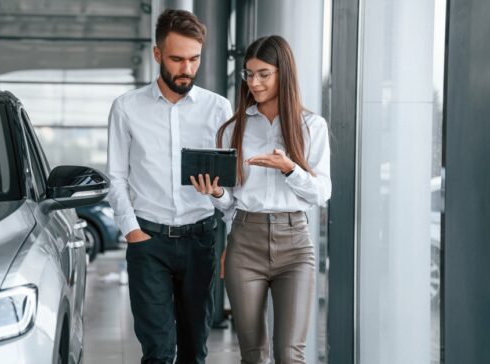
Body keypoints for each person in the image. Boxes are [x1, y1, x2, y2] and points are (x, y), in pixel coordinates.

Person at [190, 35, 332, 364]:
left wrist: (290, 169)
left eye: (263, 74)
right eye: (248, 74)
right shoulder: (232, 130)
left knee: (289, 354)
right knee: (253, 355)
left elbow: (321, 193)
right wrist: (216, 193)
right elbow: (232, 202)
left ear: (284, 73)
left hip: (295, 243)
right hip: (245, 242)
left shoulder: (311, 126)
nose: (254, 82)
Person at [107, 8, 233, 364]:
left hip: (200, 240)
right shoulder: (126, 108)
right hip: (149, 242)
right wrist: (132, 232)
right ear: (157, 54)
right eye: (177, 59)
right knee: (158, 352)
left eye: (194, 59)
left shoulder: (218, 108)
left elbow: (231, 188)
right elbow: (116, 176)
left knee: (195, 350)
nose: (187, 69)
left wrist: (219, 195)